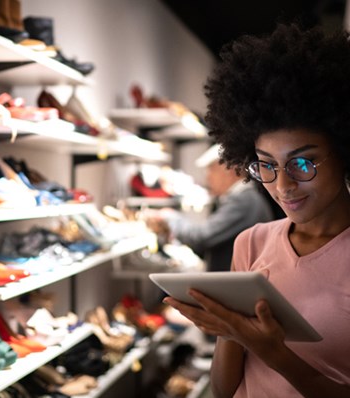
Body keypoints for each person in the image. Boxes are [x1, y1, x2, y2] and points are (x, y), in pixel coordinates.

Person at [163, 23, 350, 398]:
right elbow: (224, 389)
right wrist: (232, 331)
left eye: (302, 164)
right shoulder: (252, 243)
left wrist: (272, 351)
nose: (282, 185)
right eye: (266, 164)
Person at [145, 143, 274, 271]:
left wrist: (169, 217)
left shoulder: (244, 201)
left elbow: (201, 237)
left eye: (211, 170)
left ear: (229, 169)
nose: (207, 177)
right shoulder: (245, 198)